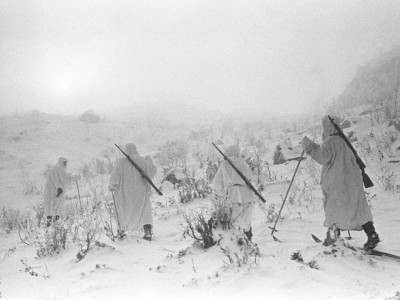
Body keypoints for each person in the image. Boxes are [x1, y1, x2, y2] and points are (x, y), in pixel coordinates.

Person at [302, 115, 380, 250]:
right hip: (352, 182)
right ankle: (372, 234)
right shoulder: (345, 141)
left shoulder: (330, 142)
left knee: (333, 210)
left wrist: (310, 147)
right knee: (359, 208)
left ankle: (332, 238)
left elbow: (322, 158)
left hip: (337, 184)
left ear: (327, 127)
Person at [109, 143, 157, 241]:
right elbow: (152, 171)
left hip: (125, 194)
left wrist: (112, 185)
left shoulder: (121, 163)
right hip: (141, 192)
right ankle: (147, 231)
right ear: (135, 149)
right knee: (144, 210)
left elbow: (115, 176)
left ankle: (121, 231)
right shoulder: (142, 161)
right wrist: (149, 160)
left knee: (123, 210)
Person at [211, 145, 255, 241]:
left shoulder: (224, 164)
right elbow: (251, 177)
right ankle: (248, 239)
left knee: (234, 219)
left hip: (232, 195)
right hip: (247, 194)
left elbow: (217, 183)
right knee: (246, 219)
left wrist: (220, 195)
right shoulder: (243, 163)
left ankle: (237, 242)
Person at [43, 157, 79, 227]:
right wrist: (75, 177)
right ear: (61, 162)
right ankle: (55, 226)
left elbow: (59, 179)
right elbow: (65, 179)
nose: (66, 165)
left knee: (51, 208)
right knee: (57, 208)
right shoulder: (59, 168)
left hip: (50, 191)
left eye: (66, 163)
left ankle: (50, 226)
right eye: (65, 163)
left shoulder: (54, 168)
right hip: (55, 191)